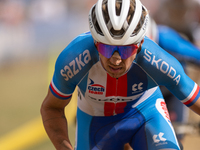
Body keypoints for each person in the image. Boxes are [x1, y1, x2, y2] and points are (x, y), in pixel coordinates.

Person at [40, 0, 200, 150]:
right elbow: (52, 108)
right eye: (107, 49)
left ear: (140, 44)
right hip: (94, 121)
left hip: (147, 114)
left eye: (126, 49)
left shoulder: (157, 59)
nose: (116, 60)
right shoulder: (74, 58)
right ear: (95, 42)